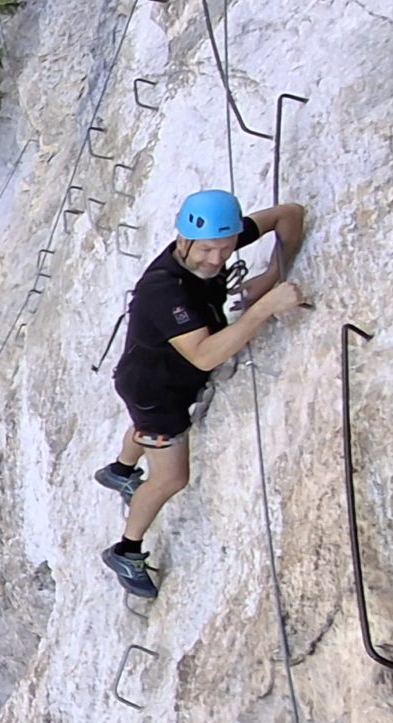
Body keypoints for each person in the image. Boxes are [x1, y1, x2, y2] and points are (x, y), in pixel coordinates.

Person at [95, 190, 309, 598]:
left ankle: (121, 470)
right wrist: (266, 306)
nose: (216, 259)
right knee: (170, 477)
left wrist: (272, 274)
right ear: (183, 240)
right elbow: (205, 354)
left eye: (226, 249)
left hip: (147, 378)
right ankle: (126, 550)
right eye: (208, 250)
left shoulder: (213, 239)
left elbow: (290, 215)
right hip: (158, 393)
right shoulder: (165, 291)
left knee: (145, 428)